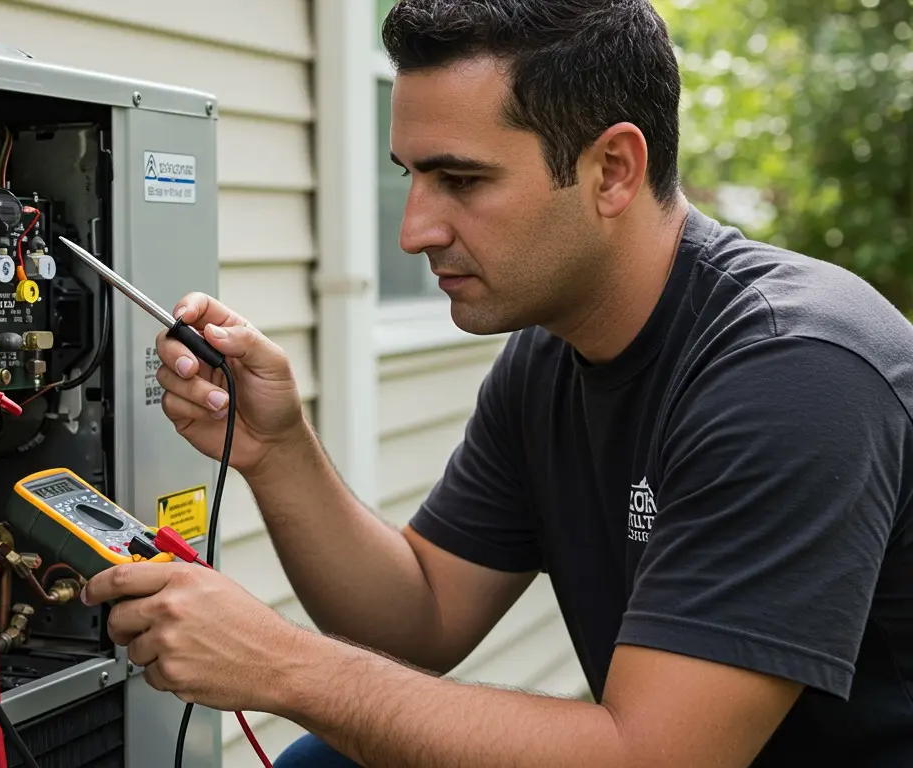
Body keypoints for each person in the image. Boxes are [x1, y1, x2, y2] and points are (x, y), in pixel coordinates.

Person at [78, 0, 913, 765]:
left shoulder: (796, 371)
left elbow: (654, 759)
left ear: (613, 170)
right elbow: (420, 617)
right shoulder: (551, 355)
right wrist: (277, 449)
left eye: (463, 181)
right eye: (409, 175)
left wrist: (283, 665)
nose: (414, 231)